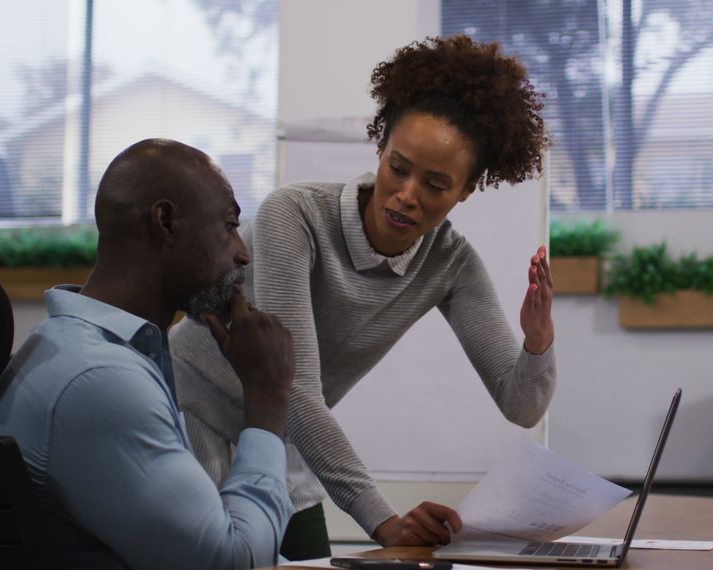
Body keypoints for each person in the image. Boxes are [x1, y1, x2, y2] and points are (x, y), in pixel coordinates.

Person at [170, 35, 555, 555]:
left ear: (466, 190)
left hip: (281, 435)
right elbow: (300, 389)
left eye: (436, 185)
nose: (407, 195)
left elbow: (522, 404)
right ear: (380, 148)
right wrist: (384, 523)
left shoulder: (452, 265)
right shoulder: (296, 216)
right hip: (191, 413)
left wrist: (537, 343)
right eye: (398, 167)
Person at [0, 139, 295, 569]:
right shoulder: (99, 379)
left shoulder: (78, 350)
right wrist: (266, 397)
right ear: (165, 222)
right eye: (229, 226)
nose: (242, 252)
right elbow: (232, 562)